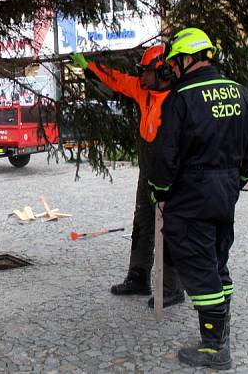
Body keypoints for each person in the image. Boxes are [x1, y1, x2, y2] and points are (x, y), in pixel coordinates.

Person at [147, 28, 248, 370]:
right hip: (225, 194)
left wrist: (159, 192)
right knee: (217, 263)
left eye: (174, 62)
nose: (173, 70)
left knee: (199, 269)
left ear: (187, 58)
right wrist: (235, 184)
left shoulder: (182, 97)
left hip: (191, 196)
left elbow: (166, 154)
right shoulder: (239, 92)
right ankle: (220, 332)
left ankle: (213, 348)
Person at [70, 45, 184, 308]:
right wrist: (89, 66)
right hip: (149, 170)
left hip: (172, 174)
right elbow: (118, 80)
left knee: (170, 229)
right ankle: (139, 276)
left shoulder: (180, 98)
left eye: (146, 72)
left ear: (163, 70)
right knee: (142, 222)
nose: (141, 78)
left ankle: (172, 287)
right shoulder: (144, 91)